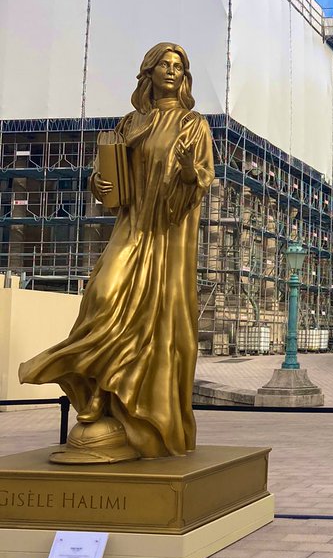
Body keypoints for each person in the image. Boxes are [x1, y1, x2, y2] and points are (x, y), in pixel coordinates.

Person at [20, 43, 214, 463]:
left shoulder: (193, 125)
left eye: (178, 66)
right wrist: (100, 184)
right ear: (148, 72)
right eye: (163, 64)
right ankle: (92, 391)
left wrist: (186, 170)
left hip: (166, 239)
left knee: (156, 321)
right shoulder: (128, 124)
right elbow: (105, 177)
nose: (171, 71)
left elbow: (200, 181)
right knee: (101, 297)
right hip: (130, 228)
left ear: (185, 78)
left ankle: (126, 410)